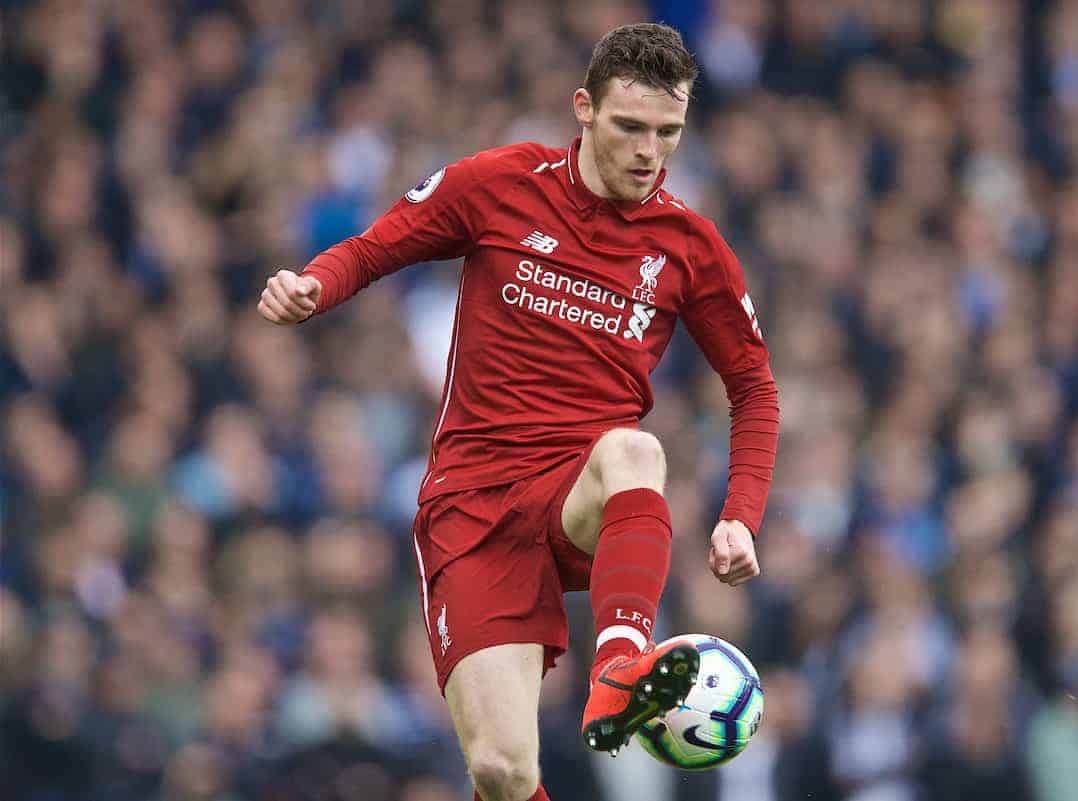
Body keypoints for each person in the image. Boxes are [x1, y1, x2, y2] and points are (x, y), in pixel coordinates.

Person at [257, 23, 779, 801]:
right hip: (472, 504)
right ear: (583, 109)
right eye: (629, 127)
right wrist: (313, 287)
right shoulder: (498, 184)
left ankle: (621, 666)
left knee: (636, 453)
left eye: (668, 133)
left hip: (577, 490)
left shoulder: (687, 245)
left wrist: (741, 514)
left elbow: (754, 386)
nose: (649, 152)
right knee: (504, 770)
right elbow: (373, 249)